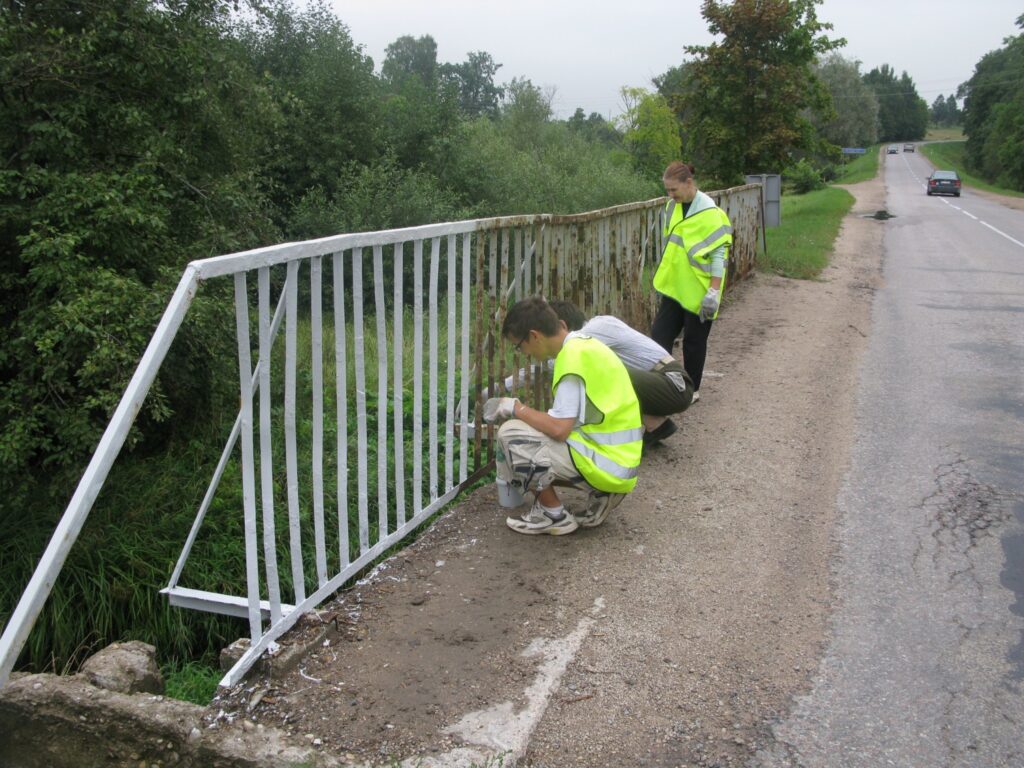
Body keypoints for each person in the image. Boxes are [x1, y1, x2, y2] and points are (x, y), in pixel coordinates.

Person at [483, 297, 643, 536]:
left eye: (520, 346)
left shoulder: (571, 359)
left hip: (610, 465)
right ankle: (602, 493)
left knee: (511, 433)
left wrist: (516, 407)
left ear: (534, 336)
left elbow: (559, 429)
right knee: (534, 430)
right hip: (622, 462)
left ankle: (553, 514)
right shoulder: (587, 345)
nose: (523, 353)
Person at [548, 300, 693, 445]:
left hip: (675, 385)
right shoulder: (593, 331)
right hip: (666, 384)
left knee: (597, 374)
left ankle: (646, 427)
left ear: (562, 326)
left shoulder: (595, 329)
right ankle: (656, 424)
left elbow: (561, 362)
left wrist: (528, 375)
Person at [650, 161, 733, 401]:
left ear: (689, 183)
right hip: (675, 287)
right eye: (667, 190)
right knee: (659, 337)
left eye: (674, 190)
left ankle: (692, 390)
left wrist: (714, 292)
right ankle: (661, 383)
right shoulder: (670, 208)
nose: (670, 195)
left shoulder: (711, 214)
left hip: (700, 288)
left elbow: (719, 255)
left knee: (694, 343)